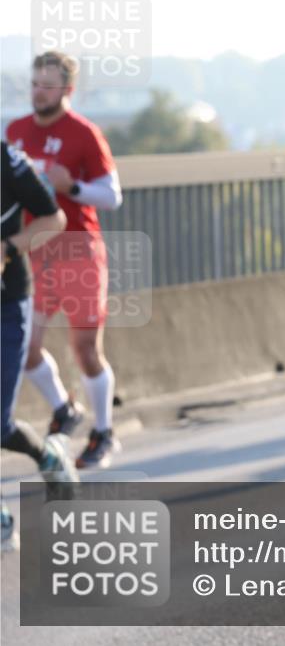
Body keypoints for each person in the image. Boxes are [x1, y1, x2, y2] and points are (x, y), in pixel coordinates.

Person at [5, 51, 124, 467]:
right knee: (27, 348)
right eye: (35, 83)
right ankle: (64, 409)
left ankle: (104, 432)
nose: (39, 92)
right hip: (33, 251)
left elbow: (112, 196)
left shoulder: (84, 134)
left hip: (78, 248)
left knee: (85, 348)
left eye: (48, 85)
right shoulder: (15, 131)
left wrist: (71, 187)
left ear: (67, 90)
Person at [2, 140, 78, 553]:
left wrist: (9, 246)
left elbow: (54, 218)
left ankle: (50, 459)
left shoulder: (8, 161)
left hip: (7, 305)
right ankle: (46, 459)